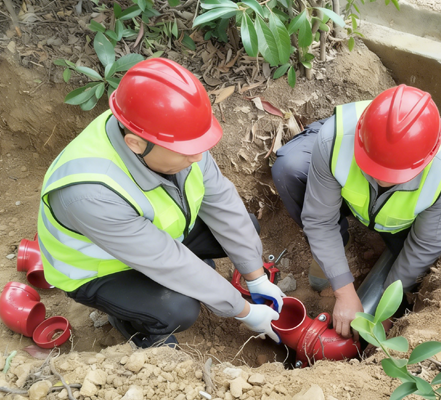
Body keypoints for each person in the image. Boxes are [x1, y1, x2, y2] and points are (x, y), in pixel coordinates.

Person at [37, 58, 285, 348]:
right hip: (103, 270)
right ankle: (132, 323)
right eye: (186, 150)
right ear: (135, 143)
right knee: (179, 308)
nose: (198, 156)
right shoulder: (91, 193)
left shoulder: (168, 133)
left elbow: (223, 204)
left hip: (153, 238)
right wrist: (244, 311)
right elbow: (168, 262)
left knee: (245, 229)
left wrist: (255, 277)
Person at [272, 85, 441, 338]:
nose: (380, 179)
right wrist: (343, 290)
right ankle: (337, 244)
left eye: (393, 175)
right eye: (373, 168)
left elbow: (424, 246)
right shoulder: (335, 139)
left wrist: (387, 310)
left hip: (401, 225)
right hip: (345, 198)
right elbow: (319, 219)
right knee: (290, 168)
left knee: (417, 273)